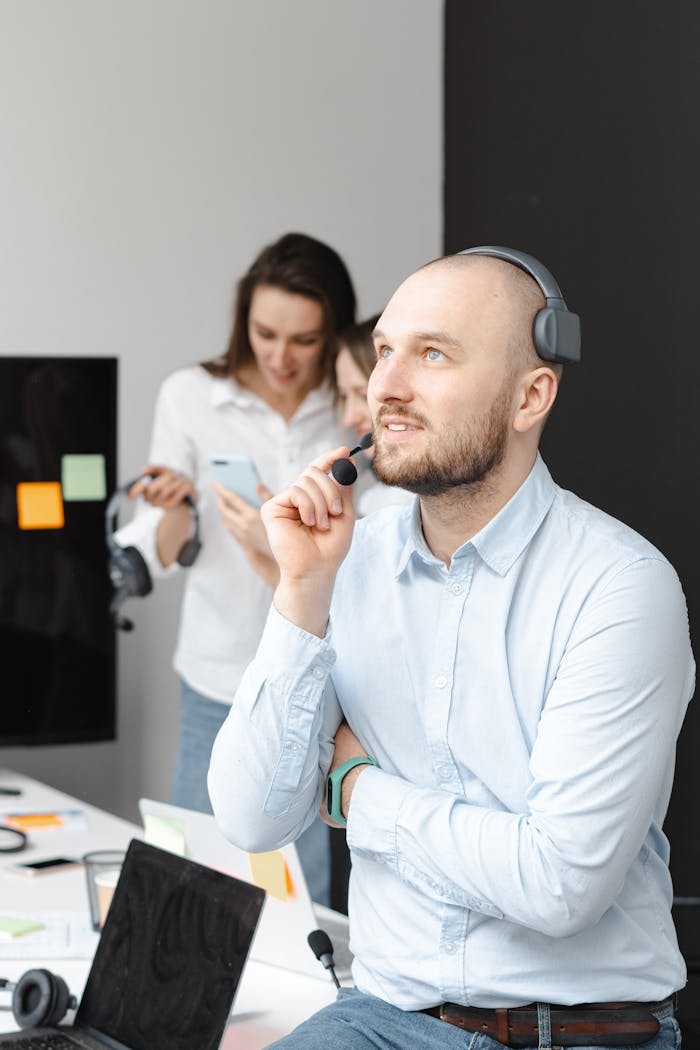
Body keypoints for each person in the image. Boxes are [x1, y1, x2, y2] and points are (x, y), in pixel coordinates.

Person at [208, 248, 694, 1050]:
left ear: (531, 395)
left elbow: (557, 884)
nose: (385, 388)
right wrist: (299, 597)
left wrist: (359, 790)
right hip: (382, 1017)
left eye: (432, 354)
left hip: (572, 1033)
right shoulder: (348, 561)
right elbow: (252, 817)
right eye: (385, 351)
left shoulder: (620, 587)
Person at [114, 231, 356, 908]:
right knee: (192, 881)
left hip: (315, 679)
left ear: (331, 333)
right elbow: (166, 548)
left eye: (304, 340)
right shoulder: (191, 396)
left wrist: (279, 550)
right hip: (217, 680)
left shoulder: (352, 406)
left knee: (297, 896)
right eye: (265, 333)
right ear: (242, 320)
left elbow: (381, 553)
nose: (281, 357)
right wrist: (174, 511)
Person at [335, 316, 413, 517]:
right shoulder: (375, 502)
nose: (349, 418)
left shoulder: (409, 509)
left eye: (362, 395)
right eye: (344, 396)